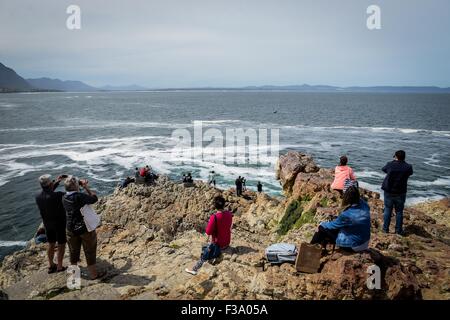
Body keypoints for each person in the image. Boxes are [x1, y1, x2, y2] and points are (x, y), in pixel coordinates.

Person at [62, 176, 104, 280]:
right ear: (76, 186)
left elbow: (74, 191)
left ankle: (74, 276)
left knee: (73, 251)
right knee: (90, 250)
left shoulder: (64, 197)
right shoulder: (79, 196)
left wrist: (77, 185)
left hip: (70, 228)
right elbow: (94, 198)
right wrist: (86, 187)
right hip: (84, 228)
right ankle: (94, 275)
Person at [310, 186, 371, 253]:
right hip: (365, 242)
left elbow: (332, 225)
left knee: (321, 228)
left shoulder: (347, 215)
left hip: (353, 246)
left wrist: (321, 224)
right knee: (336, 227)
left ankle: (309, 251)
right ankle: (319, 249)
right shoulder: (364, 205)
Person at [185, 195, 233, 275]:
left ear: (214, 206)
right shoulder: (229, 214)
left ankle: (194, 269)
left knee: (205, 251)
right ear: (224, 204)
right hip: (227, 243)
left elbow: (208, 232)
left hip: (218, 245)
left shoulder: (214, 217)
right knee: (206, 247)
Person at [35, 174, 67, 273]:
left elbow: (48, 192)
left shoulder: (38, 196)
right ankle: (60, 266)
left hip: (48, 225)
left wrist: (57, 181)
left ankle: (51, 265)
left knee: (51, 244)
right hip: (59, 224)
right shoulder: (58, 195)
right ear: (50, 184)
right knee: (61, 244)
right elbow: (70, 193)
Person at [381, 150, 413, 235]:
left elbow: (384, 169)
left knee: (388, 210)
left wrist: (393, 161)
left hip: (389, 191)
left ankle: (385, 229)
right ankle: (398, 231)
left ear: (395, 156)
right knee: (399, 212)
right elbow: (410, 173)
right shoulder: (408, 167)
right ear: (404, 157)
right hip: (401, 191)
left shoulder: (390, 164)